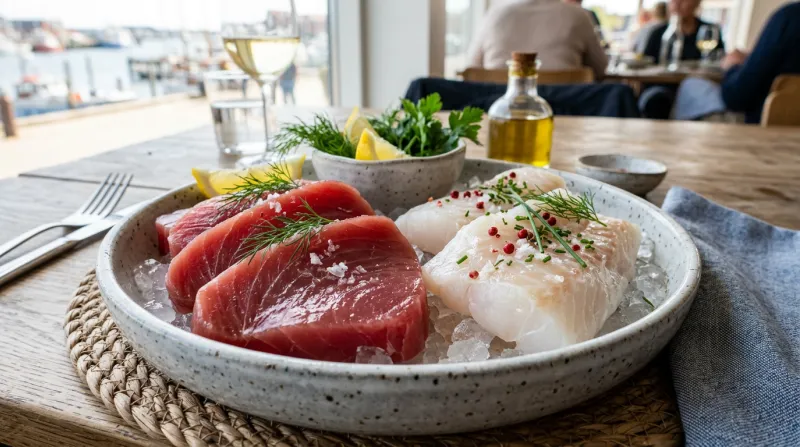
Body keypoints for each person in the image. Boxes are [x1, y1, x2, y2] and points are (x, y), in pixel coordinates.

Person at [673, 2, 800, 123]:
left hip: (761, 124)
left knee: (690, 86)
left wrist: (732, 66)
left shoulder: (789, 17)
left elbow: (736, 96)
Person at [467, 0, 608, 80]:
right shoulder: (578, 14)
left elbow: (473, 66)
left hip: (494, 106)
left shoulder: (495, 13)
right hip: (568, 107)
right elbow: (601, 68)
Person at [638, 0, 725, 118]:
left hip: (697, 87)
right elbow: (645, 63)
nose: (678, 3)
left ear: (697, 3)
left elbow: (718, 62)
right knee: (657, 100)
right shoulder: (658, 33)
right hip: (661, 86)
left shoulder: (709, 31)